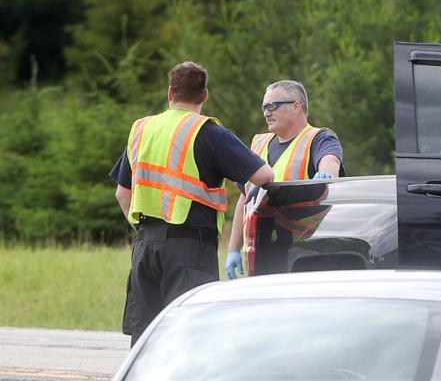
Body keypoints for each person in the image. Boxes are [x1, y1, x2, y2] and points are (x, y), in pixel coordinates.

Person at [112, 61, 274, 345]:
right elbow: (263, 175)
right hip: (190, 248)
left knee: (146, 339)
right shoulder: (209, 132)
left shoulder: (141, 128)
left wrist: (144, 233)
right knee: (190, 335)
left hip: (146, 244)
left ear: (170, 92)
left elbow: (122, 194)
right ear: (205, 96)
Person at [225, 80, 346, 279]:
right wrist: (233, 249)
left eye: (272, 106)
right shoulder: (259, 143)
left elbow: (330, 159)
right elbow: (244, 198)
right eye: (264, 107)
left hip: (302, 255)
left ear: (296, 106)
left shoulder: (319, 138)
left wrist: (327, 174)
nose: (266, 112)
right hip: (260, 254)